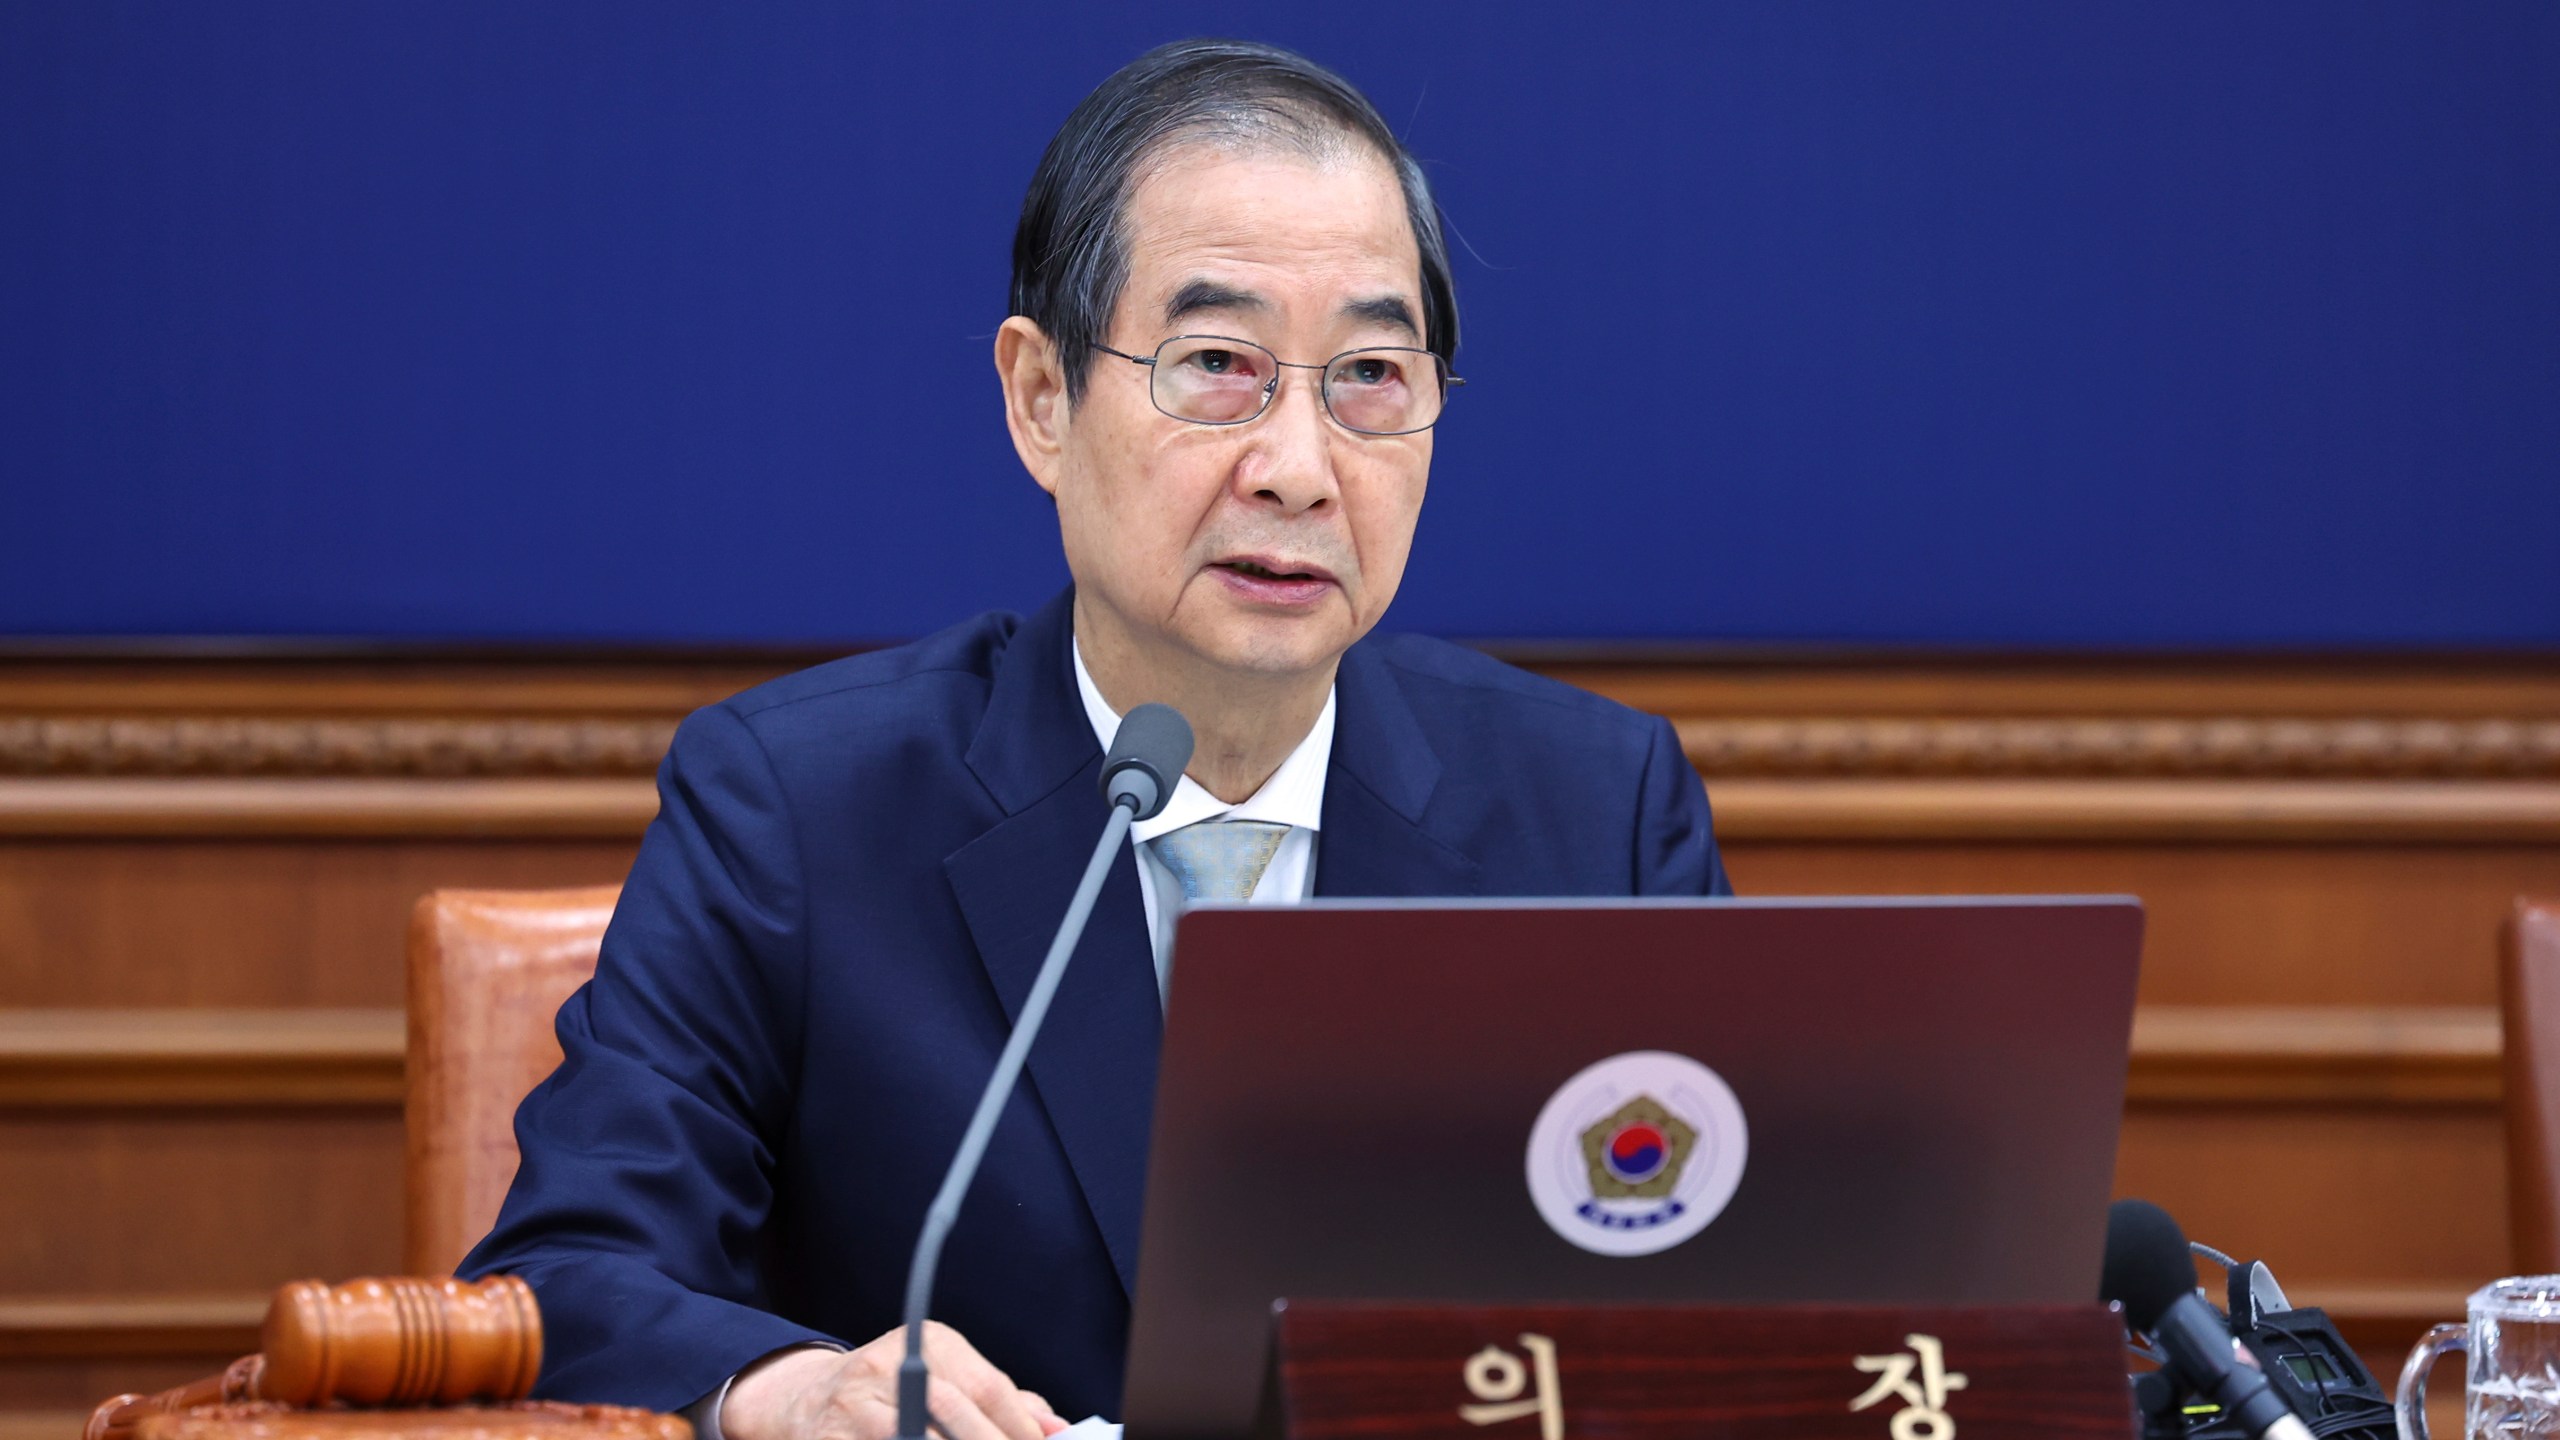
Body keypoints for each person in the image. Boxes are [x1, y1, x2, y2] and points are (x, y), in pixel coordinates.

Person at [462, 36, 1730, 1440]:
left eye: (1370, 373)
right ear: (1041, 400)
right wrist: (788, 1391)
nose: (1299, 469)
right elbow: (564, 1279)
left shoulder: (1597, 814)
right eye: (1217, 366)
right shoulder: (796, 811)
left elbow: (1742, 1305)